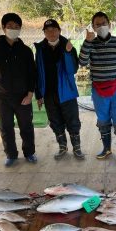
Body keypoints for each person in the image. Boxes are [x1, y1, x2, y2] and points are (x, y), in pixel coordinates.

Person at [0, 13, 37, 167]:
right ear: (3, 28)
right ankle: (11, 154)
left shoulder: (25, 50)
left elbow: (32, 73)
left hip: (23, 95)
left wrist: (30, 93)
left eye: (16, 27)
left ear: (20, 29)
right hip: (2, 96)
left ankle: (29, 152)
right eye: (10, 26)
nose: (13, 29)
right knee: (5, 126)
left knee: (26, 126)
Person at [79, 12, 116, 165]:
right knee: (103, 120)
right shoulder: (90, 43)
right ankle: (107, 148)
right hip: (98, 90)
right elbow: (82, 62)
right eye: (97, 24)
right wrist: (87, 42)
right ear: (93, 27)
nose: (101, 26)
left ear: (109, 24)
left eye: (104, 23)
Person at [35, 19, 84, 160]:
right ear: (44, 33)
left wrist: (68, 53)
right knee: (55, 120)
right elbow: (37, 72)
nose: (51, 33)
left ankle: (77, 147)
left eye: (54, 29)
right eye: (47, 30)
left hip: (66, 92)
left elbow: (72, 70)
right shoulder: (40, 49)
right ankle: (62, 146)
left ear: (59, 31)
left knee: (72, 120)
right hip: (49, 93)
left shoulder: (67, 46)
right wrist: (39, 94)